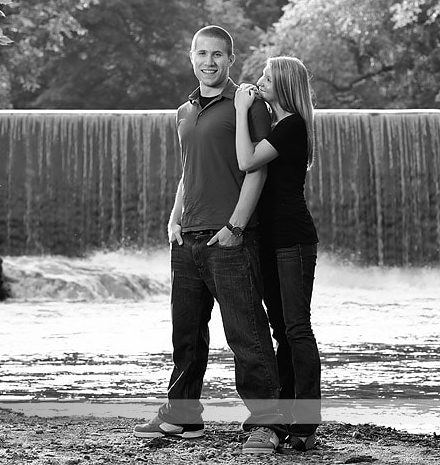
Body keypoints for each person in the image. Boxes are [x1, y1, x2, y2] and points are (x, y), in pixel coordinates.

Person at [133, 25, 284, 455]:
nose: (209, 62)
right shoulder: (184, 111)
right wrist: (173, 218)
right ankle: (183, 417)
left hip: (230, 238)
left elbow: (257, 168)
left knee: (246, 334)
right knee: (187, 334)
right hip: (187, 239)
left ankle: (267, 422)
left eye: (218, 54)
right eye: (202, 53)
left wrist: (236, 226)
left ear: (230, 60)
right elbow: (188, 171)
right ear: (191, 56)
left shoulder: (247, 103)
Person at [234, 56, 321, 451]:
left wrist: (239, 111)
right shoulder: (276, 124)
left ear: (284, 84)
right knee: (280, 331)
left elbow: (247, 160)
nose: (260, 80)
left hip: (292, 241)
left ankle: (306, 422)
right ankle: (286, 415)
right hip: (269, 240)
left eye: (268, 78)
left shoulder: (292, 126)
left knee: (297, 330)